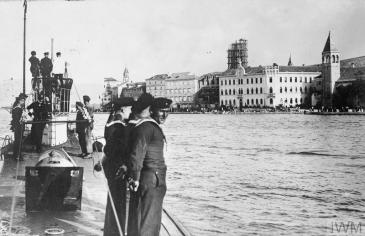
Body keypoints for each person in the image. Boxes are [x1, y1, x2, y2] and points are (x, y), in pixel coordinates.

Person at [127, 93, 171, 236]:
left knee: (143, 218)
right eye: (161, 111)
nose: (165, 115)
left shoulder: (148, 126)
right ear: (152, 111)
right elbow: (137, 154)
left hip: (151, 178)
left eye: (167, 112)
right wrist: (135, 178)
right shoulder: (147, 127)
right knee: (149, 223)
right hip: (152, 179)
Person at [101, 97, 134, 236]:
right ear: (122, 109)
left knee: (113, 200)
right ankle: (116, 231)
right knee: (119, 201)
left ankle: (110, 230)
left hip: (111, 166)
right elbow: (112, 149)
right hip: (117, 167)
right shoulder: (119, 125)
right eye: (129, 108)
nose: (131, 111)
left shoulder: (111, 121)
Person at [10, 93, 28, 160]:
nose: (23, 102)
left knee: (17, 141)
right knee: (19, 141)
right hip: (19, 127)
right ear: (19, 101)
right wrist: (22, 119)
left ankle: (16, 155)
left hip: (18, 126)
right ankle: (18, 156)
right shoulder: (17, 109)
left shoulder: (18, 108)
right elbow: (17, 119)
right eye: (23, 101)